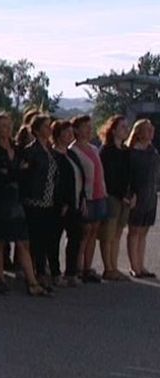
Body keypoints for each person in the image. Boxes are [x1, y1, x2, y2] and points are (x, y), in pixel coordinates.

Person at [0, 113, 47, 295]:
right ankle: (1, 279)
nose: (7, 129)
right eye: (3, 126)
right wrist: (15, 172)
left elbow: (24, 172)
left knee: (22, 240)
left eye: (9, 125)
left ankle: (32, 281)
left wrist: (14, 172)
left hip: (15, 198)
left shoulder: (16, 148)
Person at [21, 114, 59, 291]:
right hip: (34, 201)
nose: (49, 129)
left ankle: (42, 271)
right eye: (45, 126)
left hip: (48, 200)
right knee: (35, 239)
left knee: (45, 238)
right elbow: (26, 175)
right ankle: (36, 273)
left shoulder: (49, 151)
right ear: (36, 130)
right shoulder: (31, 150)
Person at [69, 115, 108, 283]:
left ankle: (87, 266)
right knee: (83, 232)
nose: (89, 129)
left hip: (99, 195)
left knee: (93, 231)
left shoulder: (93, 148)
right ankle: (77, 267)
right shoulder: (73, 151)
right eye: (85, 126)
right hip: (85, 197)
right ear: (76, 129)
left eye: (90, 126)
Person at [51, 120, 86, 287]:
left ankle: (71, 272)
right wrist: (62, 202)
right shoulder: (53, 156)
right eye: (66, 132)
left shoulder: (71, 154)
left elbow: (80, 176)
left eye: (71, 132)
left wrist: (83, 198)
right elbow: (55, 182)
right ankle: (55, 273)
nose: (69, 135)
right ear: (57, 134)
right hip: (60, 205)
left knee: (75, 238)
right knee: (54, 239)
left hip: (76, 202)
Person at [98, 115, 133, 281]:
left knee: (118, 234)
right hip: (112, 197)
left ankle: (115, 266)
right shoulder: (106, 151)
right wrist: (121, 195)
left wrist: (131, 194)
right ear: (113, 130)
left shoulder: (126, 151)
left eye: (127, 127)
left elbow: (130, 175)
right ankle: (108, 268)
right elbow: (108, 177)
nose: (126, 130)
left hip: (125, 197)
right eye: (122, 127)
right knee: (108, 235)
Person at [125, 119, 160, 278]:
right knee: (135, 230)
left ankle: (141, 264)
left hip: (150, 195)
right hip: (136, 196)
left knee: (144, 231)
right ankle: (134, 266)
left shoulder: (153, 151)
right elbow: (127, 176)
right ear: (138, 133)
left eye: (151, 129)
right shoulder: (131, 152)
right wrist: (130, 194)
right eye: (147, 130)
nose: (151, 132)